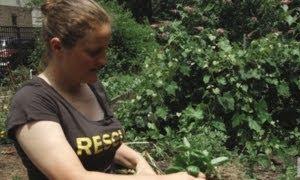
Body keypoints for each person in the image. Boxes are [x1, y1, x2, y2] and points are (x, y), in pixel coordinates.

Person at [6, 0, 205, 179]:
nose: (104, 60)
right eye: (94, 52)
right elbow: (72, 177)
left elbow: (99, 144)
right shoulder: (33, 101)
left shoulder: (92, 87)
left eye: (105, 49)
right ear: (58, 47)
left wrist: (139, 162)